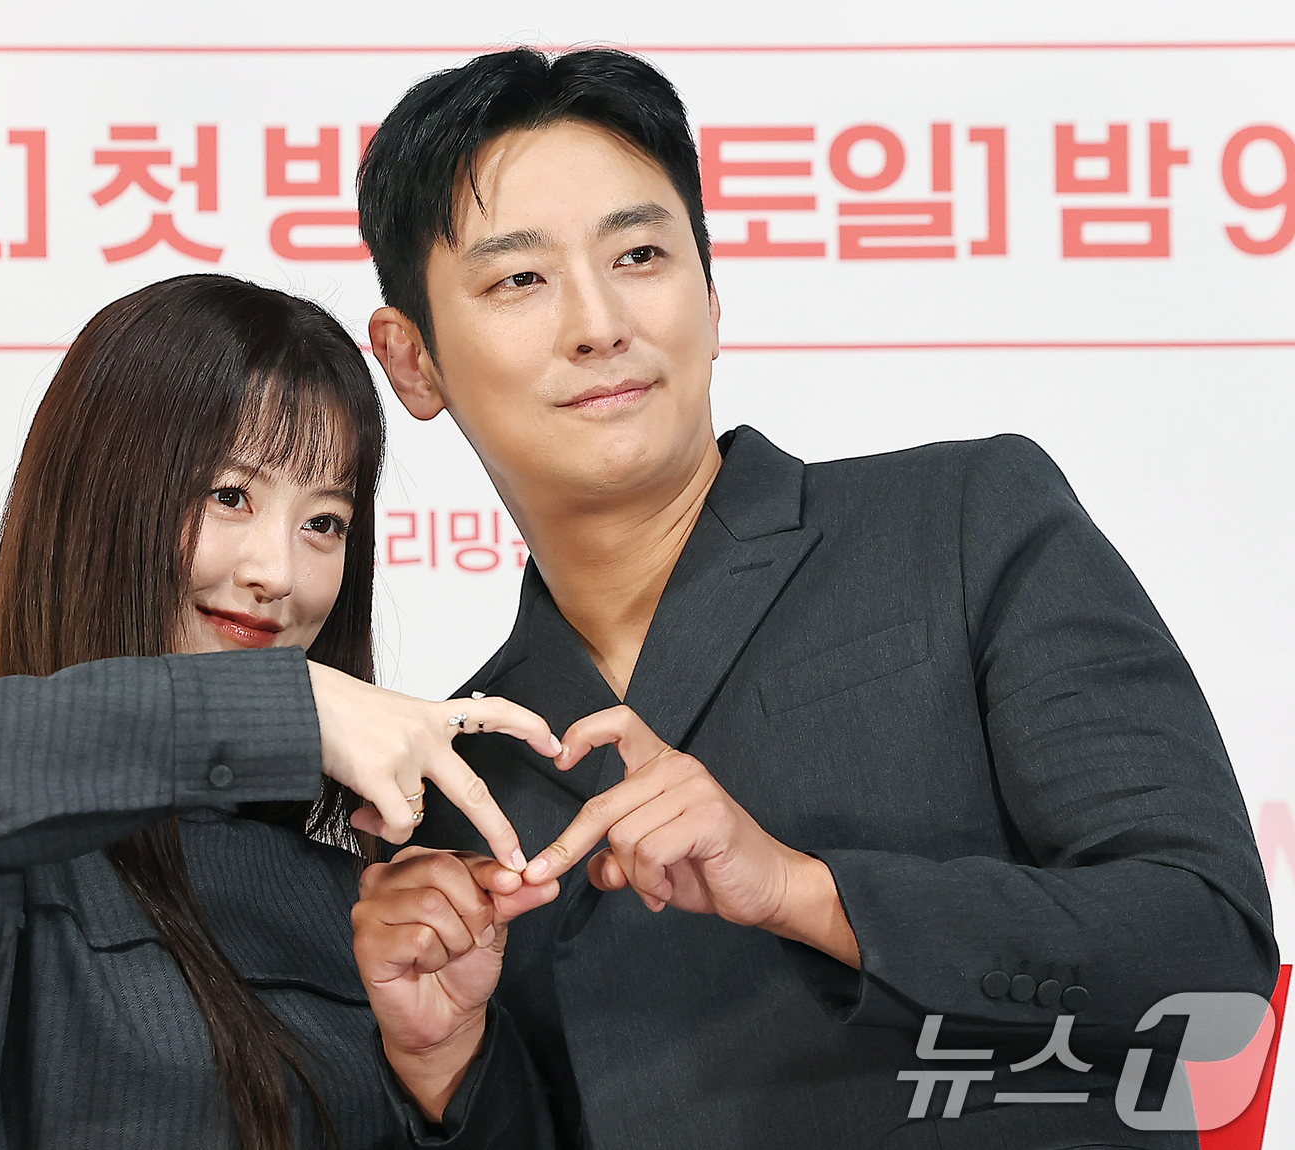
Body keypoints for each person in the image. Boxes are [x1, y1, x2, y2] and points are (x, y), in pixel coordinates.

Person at [354, 48, 1280, 1149]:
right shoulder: (459, 782)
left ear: (710, 294)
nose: (597, 323)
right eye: (519, 279)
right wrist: (446, 1066)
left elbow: (1206, 949)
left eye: (639, 254)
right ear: (411, 361)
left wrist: (801, 891)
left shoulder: (960, 521)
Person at [0, 274, 562, 1149]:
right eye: (229, 496)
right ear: (96, 502)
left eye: (324, 523)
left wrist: (448, 1065)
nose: (278, 575)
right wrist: (286, 707)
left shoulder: (376, 905)